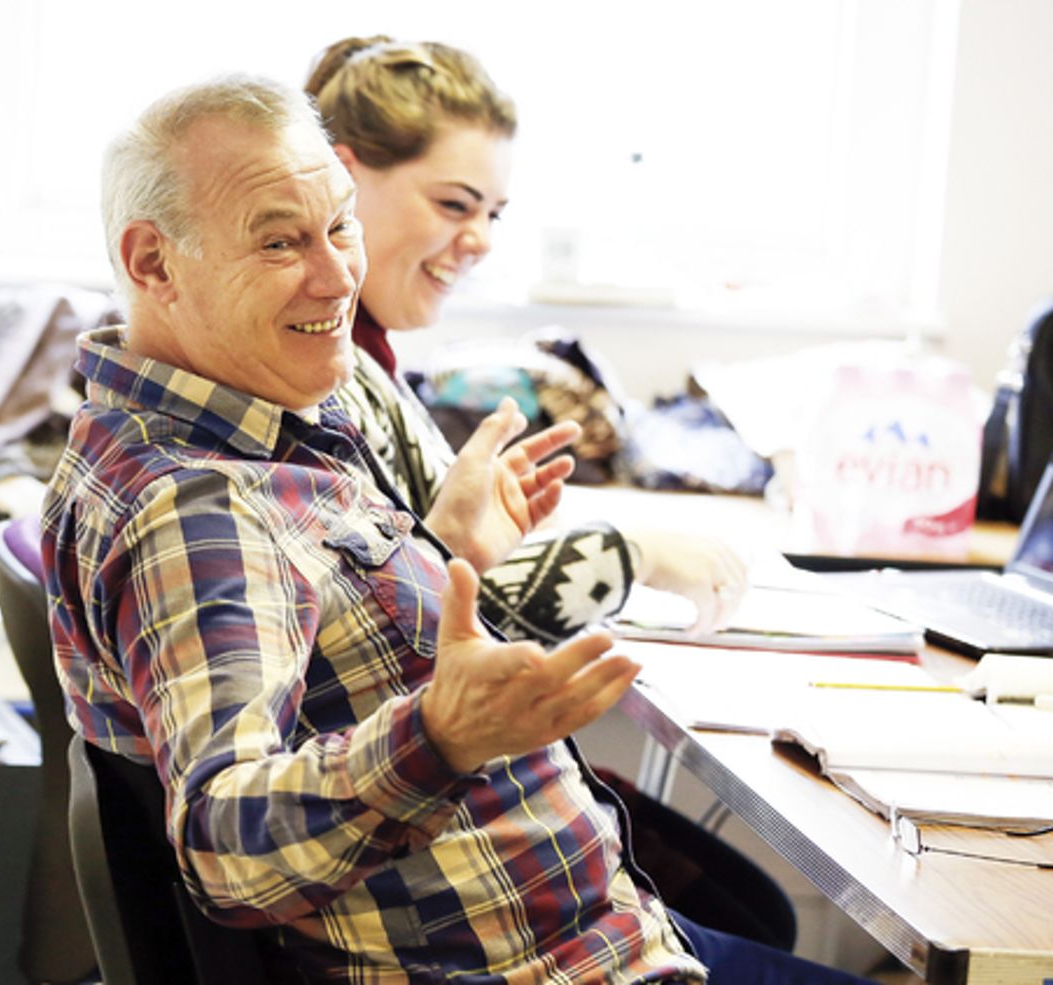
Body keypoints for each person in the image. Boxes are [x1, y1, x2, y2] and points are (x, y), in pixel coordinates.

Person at [45, 73, 873, 984]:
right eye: (280, 241)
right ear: (153, 263)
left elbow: (335, 648)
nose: (335, 275)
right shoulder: (197, 505)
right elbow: (229, 849)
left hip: (591, 943)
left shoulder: (258, 415)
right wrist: (440, 735)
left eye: (339, 226)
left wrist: (446, 555)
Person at [305, 36, 793, 950]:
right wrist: (630, 551)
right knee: (751, 913)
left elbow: (415, 598)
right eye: (454, 203)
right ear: (342, 178)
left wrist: (459, 540)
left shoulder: (368, 365)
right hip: (455, 879)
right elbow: (431, 649)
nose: (480, 239)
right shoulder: (324, 381)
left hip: (467, 841)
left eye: (493, 211)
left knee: (752, 908)